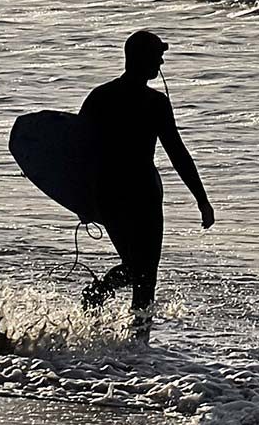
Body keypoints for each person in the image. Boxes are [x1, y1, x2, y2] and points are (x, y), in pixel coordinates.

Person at [79, 29, 214, 339]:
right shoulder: (153, 103)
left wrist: (82, 197)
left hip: (109, 191)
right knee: (144, 273)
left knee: (137, 268)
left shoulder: (100, 96)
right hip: (140, 193)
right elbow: (177, 153)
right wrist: (201, 199)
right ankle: (136, 341)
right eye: (157, 56)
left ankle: (110, 306)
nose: (161, 62)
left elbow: (75, 151)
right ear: (142, 59)